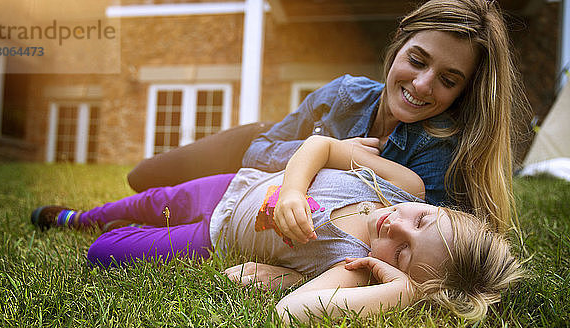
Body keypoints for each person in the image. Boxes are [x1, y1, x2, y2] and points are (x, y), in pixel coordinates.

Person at [126, 0, 530, 234]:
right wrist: (327, 152)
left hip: (259, 187)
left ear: (463, 92)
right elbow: (260, 148)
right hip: (257, 146)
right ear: (399, 45)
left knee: (168, 210)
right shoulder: (344, 93)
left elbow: (416, 246)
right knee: (142, 178)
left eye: (447, 79)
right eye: (417, 60)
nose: (423, 85)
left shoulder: (437, 154)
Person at [31, 135, 521, 323]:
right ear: (445, 210)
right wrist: (290, 191)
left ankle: (105, 228)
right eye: (420, 220)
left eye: (403, 253)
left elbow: (294, 313)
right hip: (235, 187)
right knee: (149, 201)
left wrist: (402, 293)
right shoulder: (405, 185)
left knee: (106, 252)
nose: (395, 227)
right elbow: (321, 146)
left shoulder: (356, 271)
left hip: (218, 238)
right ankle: (76, 216)